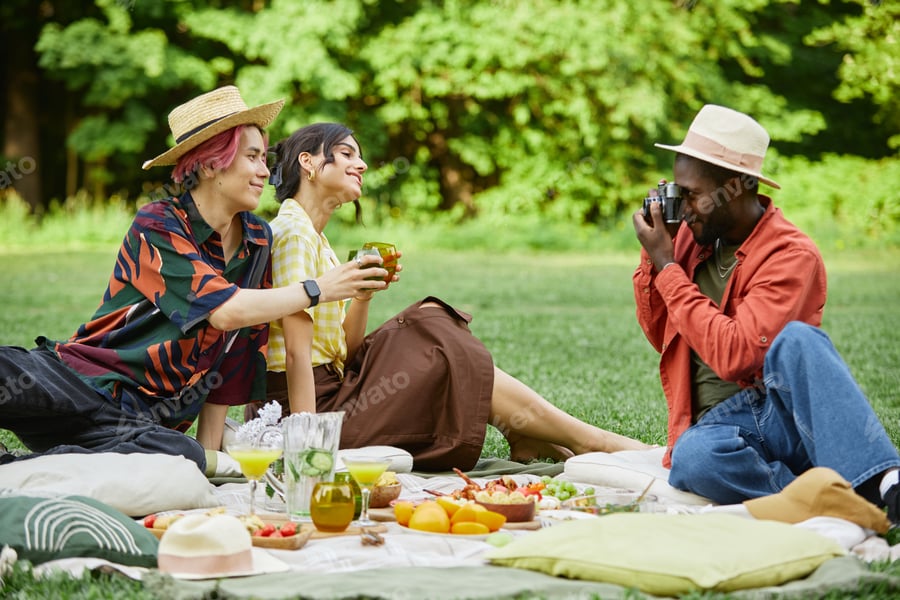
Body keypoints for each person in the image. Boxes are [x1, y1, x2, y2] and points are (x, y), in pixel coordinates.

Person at [0, 87, 383, 475]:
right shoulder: (159, 223)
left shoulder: (257, 240)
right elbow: (225, 312)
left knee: (182, 457)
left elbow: (231, 360)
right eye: (252, 157)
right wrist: (318, 289)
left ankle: (16, 468)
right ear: (211, 163)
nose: (265, 172)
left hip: (144, 423)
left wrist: (206, 458)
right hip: (84, 382)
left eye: (263, 158)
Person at [247, 122, 651, 471]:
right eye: (346, 153)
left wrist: (363, 297)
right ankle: (591, 440)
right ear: (308, 163)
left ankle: (553, 436)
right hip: (307, 411)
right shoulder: (293, 234)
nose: (362, 164)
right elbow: (299, 357)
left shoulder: (319, 241)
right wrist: (307, 450)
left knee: (428, 323)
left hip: (330, 392)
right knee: (432, 334)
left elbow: (347, 353)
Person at [631, 103, 900, 521]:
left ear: (737, 187)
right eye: (677, 194)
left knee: (798, 339)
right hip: (720, 430)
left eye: (692, 195)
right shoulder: (688, 239)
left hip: (780, 411)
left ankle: (884, 481)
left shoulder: (790, 253)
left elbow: (735, 355)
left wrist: (667, 269)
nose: (682, 209)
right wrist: (655, 260)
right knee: (693, 459)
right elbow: (659, 334)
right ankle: (826, 502)